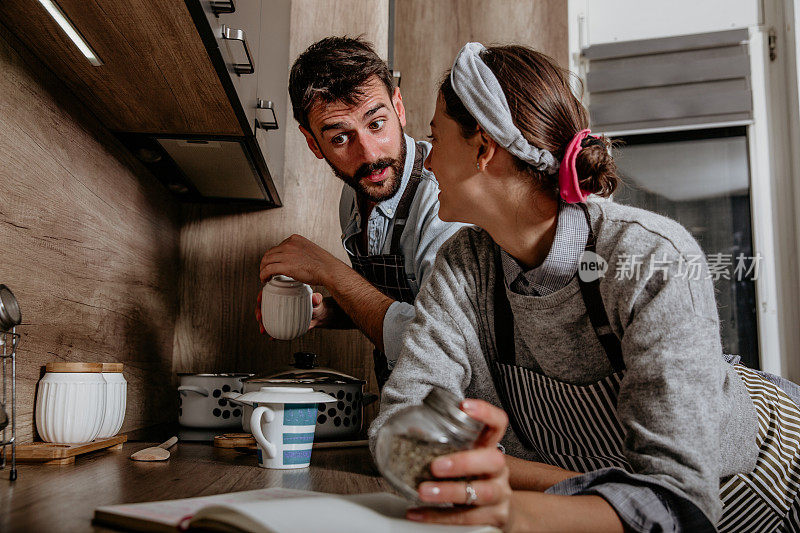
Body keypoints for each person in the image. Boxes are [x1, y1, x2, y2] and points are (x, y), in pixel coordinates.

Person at [370, 42, 800, 532]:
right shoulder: (464, 267)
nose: (426, 162)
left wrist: (517, 485)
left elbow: (679, 502)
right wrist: (592, 493)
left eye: (434, 138)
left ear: (483, 146)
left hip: (770, 478)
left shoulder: (650, 258)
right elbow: (400, 430)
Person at [256, 37, 465, 387]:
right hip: (403, 406)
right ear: (313, 143)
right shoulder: (355, 193)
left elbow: (437, 344)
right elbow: (392, 302)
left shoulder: (443, 200)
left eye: (376, 123)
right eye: (340, 138)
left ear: (398, 107)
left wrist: (329, 270)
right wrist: (328, 313)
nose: (368, 154)